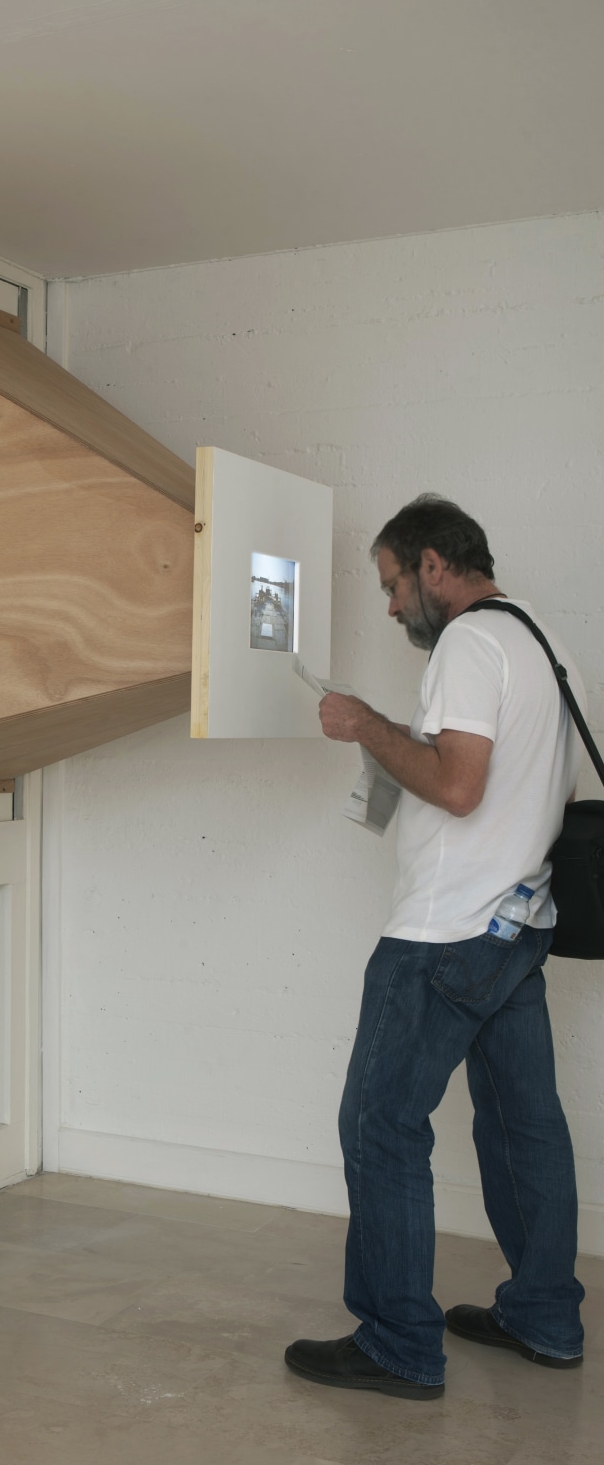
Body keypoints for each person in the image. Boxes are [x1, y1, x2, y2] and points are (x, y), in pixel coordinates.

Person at [285, 494, 586, 1401]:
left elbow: (459, 788)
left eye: (390, 584)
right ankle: (545, 1316)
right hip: (517, 926)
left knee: (379, 1126)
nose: (389, 608)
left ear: (431, 565)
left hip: (444, 936)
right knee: (525, 1130)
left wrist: (368, 726)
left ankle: (396, 1344)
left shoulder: (465, 644)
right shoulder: (536, 635)